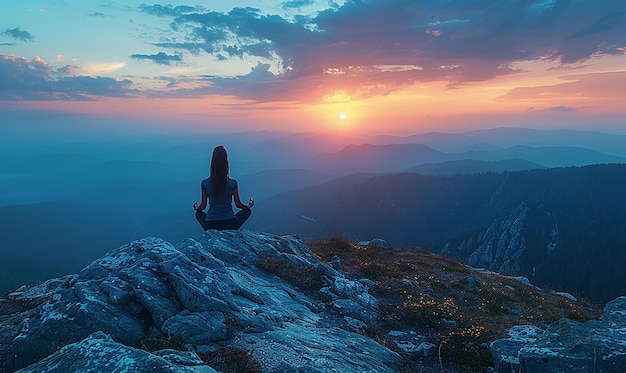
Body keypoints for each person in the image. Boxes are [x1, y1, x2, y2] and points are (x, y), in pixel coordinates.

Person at [193, 145, 254, 230]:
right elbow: (238, 204)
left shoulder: (205, 183)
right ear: (226, 162)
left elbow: (203, 206)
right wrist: (249, 206)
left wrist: (196, 207)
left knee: (198, 214)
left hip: (211, 225)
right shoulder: (233, 183)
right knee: (247, 212)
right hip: (230, 223)